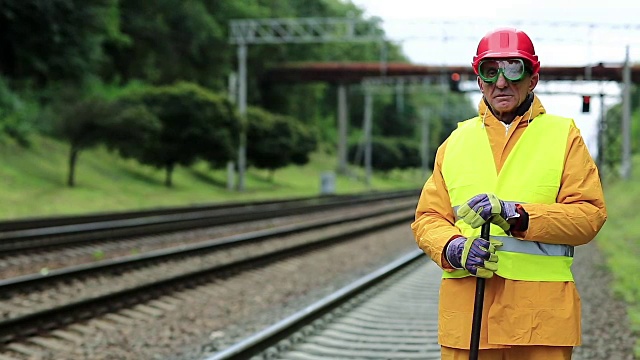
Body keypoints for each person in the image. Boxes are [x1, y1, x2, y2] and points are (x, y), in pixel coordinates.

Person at [411, 27, 607, 360]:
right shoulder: (454, 144)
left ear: (533, 78)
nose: (501, 82)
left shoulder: (563, 136)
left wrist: (517, 214)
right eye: (491, 71)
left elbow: (589, 216)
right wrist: (454, 247)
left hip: (539, 324)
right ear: (479, 80)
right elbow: (428, 218)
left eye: (513, 69)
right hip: (469, 319)